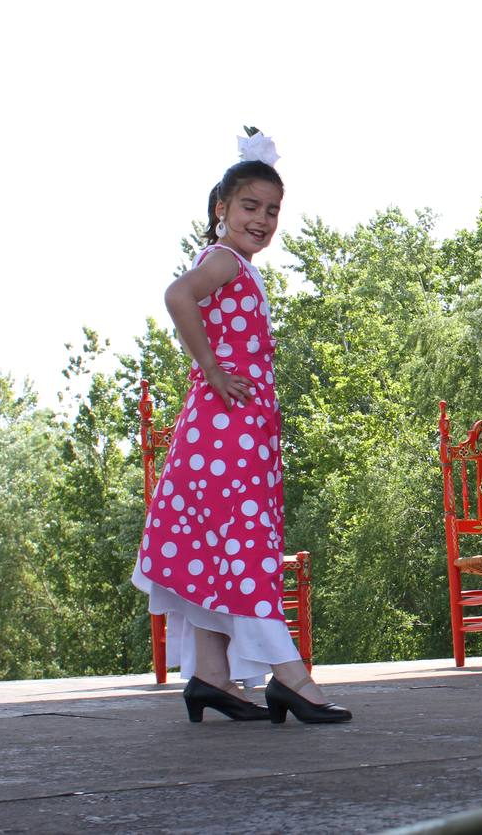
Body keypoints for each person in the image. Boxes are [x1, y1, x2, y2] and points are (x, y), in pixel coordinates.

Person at [132, 131, 351, 723]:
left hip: (232, 430)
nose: (262, 220)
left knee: (218, 546)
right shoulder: (224, 259)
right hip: (226, 431)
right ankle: (290, 676)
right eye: (250, 207)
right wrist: (211, 367)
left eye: (272, 210)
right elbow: (178, 296)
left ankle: (211, 675)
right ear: (221, 210)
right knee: (247, 547)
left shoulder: (240, 269)